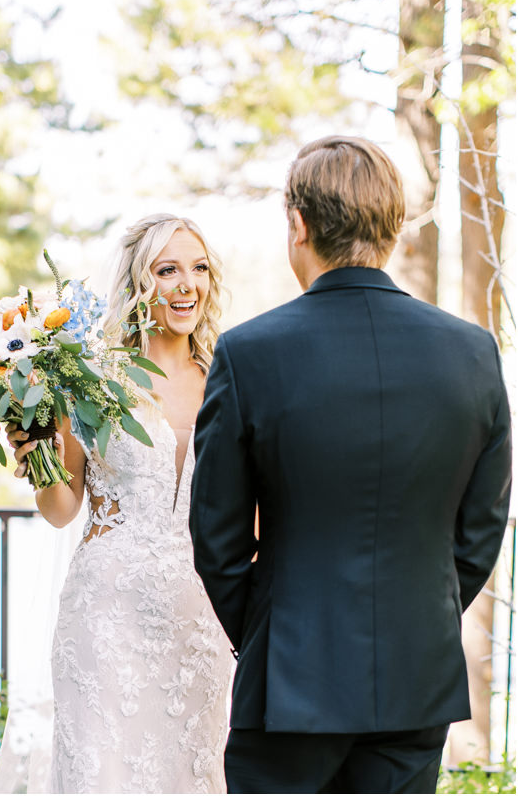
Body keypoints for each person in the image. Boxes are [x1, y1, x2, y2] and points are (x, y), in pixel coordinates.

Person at [189, 135, 511, 793]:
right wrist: (417, 614)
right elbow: (479, 533)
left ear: (297, 225)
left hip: (287, 680)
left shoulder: (249, 354)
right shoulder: (474, 354)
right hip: (415, 677)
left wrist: (268, 634)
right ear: (392, 229)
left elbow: (216, 541)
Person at [1, 214, 234, 793]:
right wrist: (38, 459)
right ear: (138, 282)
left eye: (199, 269)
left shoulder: (230, 380)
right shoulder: (92, 380)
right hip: (107, 621)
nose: (188, 285)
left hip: (201, 625)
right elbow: (62, 508)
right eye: (168, 270)